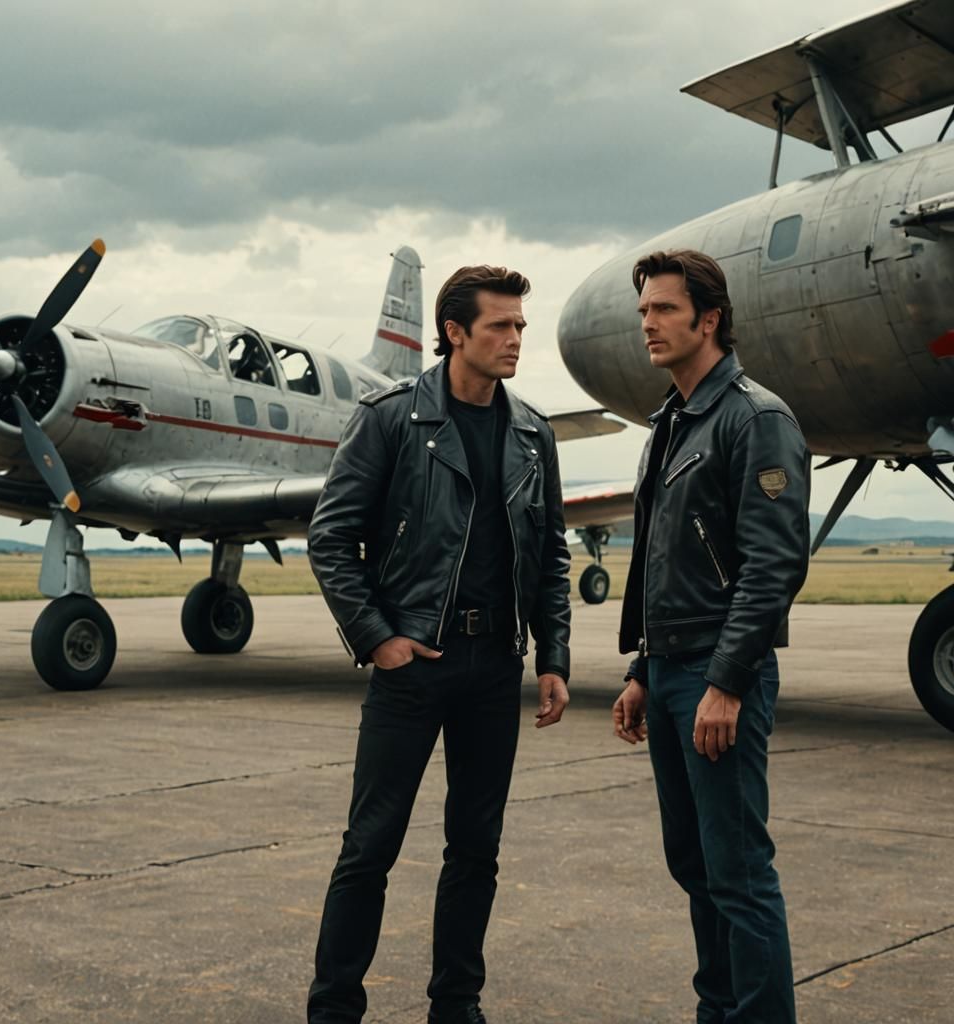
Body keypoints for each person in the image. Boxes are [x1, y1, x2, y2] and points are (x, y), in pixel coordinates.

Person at [306, 264, 572, 1024]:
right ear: (454, 333)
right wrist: (378, 638)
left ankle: (456, 1004)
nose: (516, 338)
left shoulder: (531, 431)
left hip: (495, 669)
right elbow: (332, 539)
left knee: (476, 849)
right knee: (370, 848)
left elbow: (550, 554)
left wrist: (552, 656)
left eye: (520, 325)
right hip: (413, 666)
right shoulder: (391, 417)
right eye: (500, 325)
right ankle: (333, 1010)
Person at [612, 249, 809, 1024]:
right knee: (694, 865)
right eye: (644, 312)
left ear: (710, 318)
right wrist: (641, 667)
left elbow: (773, 564)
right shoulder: (672, 419)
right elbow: (669, 560)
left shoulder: (756, 417)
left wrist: (726, 681)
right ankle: (718, 1013)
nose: (648, 325)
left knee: (738, 873)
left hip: (718, 677)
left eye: (663, 309)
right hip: (670, 672)